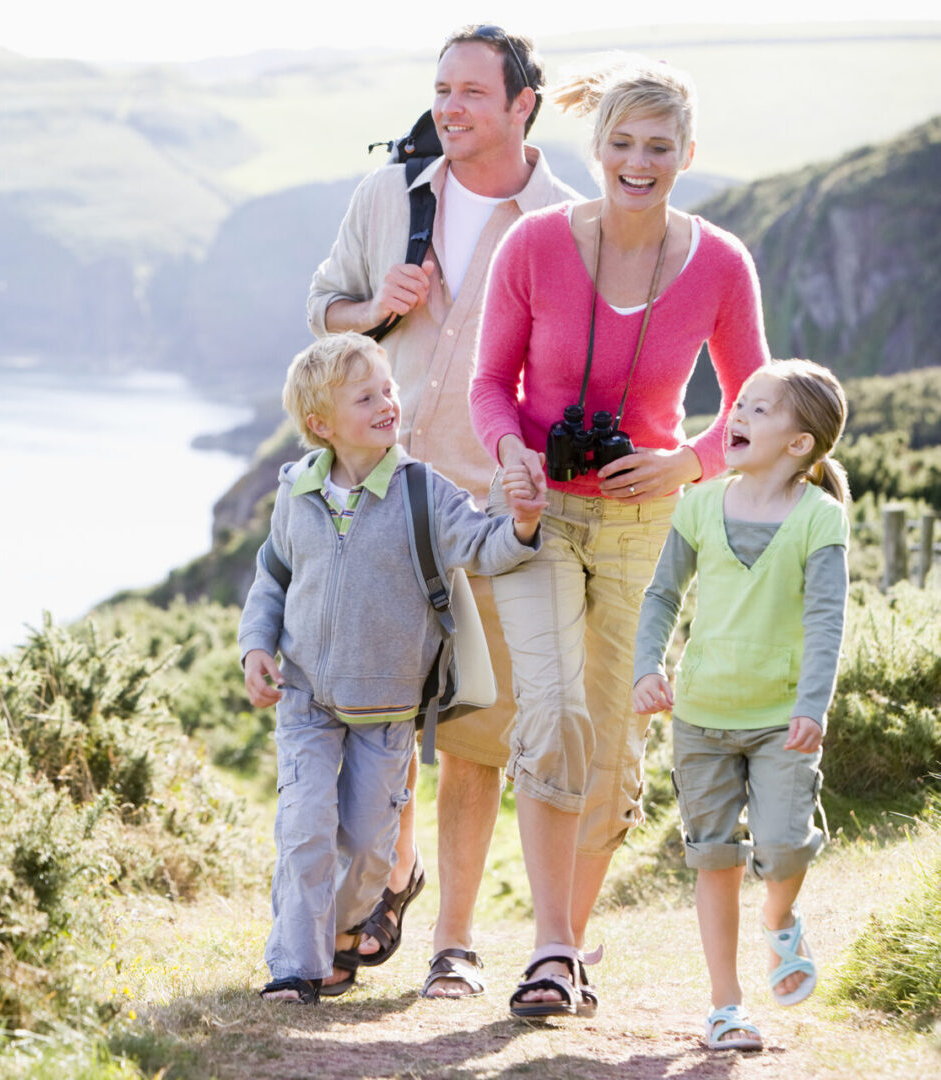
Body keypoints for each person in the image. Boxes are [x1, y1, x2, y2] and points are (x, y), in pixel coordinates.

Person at [468, 54, 769, 1017]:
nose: (638, 162)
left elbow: (755, 406)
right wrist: (512, 452)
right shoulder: (535, 246)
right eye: (622, 144)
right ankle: (552, 950)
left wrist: (685, 461)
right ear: (595, 147)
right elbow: (490, 387)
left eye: (659, 147)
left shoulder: (721, 262)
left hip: (651, 523)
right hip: (541, 513)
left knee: (610, 738)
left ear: (687, 154)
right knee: (551, 713)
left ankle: (570, 944)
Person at [305, 23, 580, 999]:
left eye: (471, 92)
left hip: (489, 511)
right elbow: (324, 311)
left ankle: (452, 947)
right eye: (441, 89)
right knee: (375, 718)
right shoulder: (389, 196)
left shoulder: (564, 224)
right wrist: (373, 304)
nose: (449, 108)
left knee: (472, 734)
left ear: (522, 105)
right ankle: (394, 872)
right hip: (379, 502)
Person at [239, 332, 546, 1003]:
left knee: (370, 849)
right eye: (367, 396)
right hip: (307, 699)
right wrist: (256, 647)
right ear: (321, 425)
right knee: (304, 828)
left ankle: (344, 936)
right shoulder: (298, 492)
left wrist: (521, 525)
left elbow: (480, 543)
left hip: (387, 711)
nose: (388, 401)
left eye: (388, 389)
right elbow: (272, 577)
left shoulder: (421, 492)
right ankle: (295, 964)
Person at [632, 360, 849, 1051]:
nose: (739, 419)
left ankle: (780, 919)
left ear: (800, 444)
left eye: (760, 410)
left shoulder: (820, 519)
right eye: (739, 406)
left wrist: (813, 703)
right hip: (700, 715)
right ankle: (726, 1005)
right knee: (714, 858)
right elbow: (663, 593)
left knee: (784, 848)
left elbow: (826, 621)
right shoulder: (699, 503)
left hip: (784, 719)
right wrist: (648, 666)